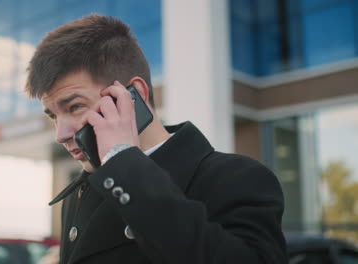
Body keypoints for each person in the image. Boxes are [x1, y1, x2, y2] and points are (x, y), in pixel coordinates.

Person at [26, 14, 287, 264]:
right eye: (53, 116)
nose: (60, 134)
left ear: (133, 94)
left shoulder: (238, 178)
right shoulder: (84, 190)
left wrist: (123, 162)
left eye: (74, 107)